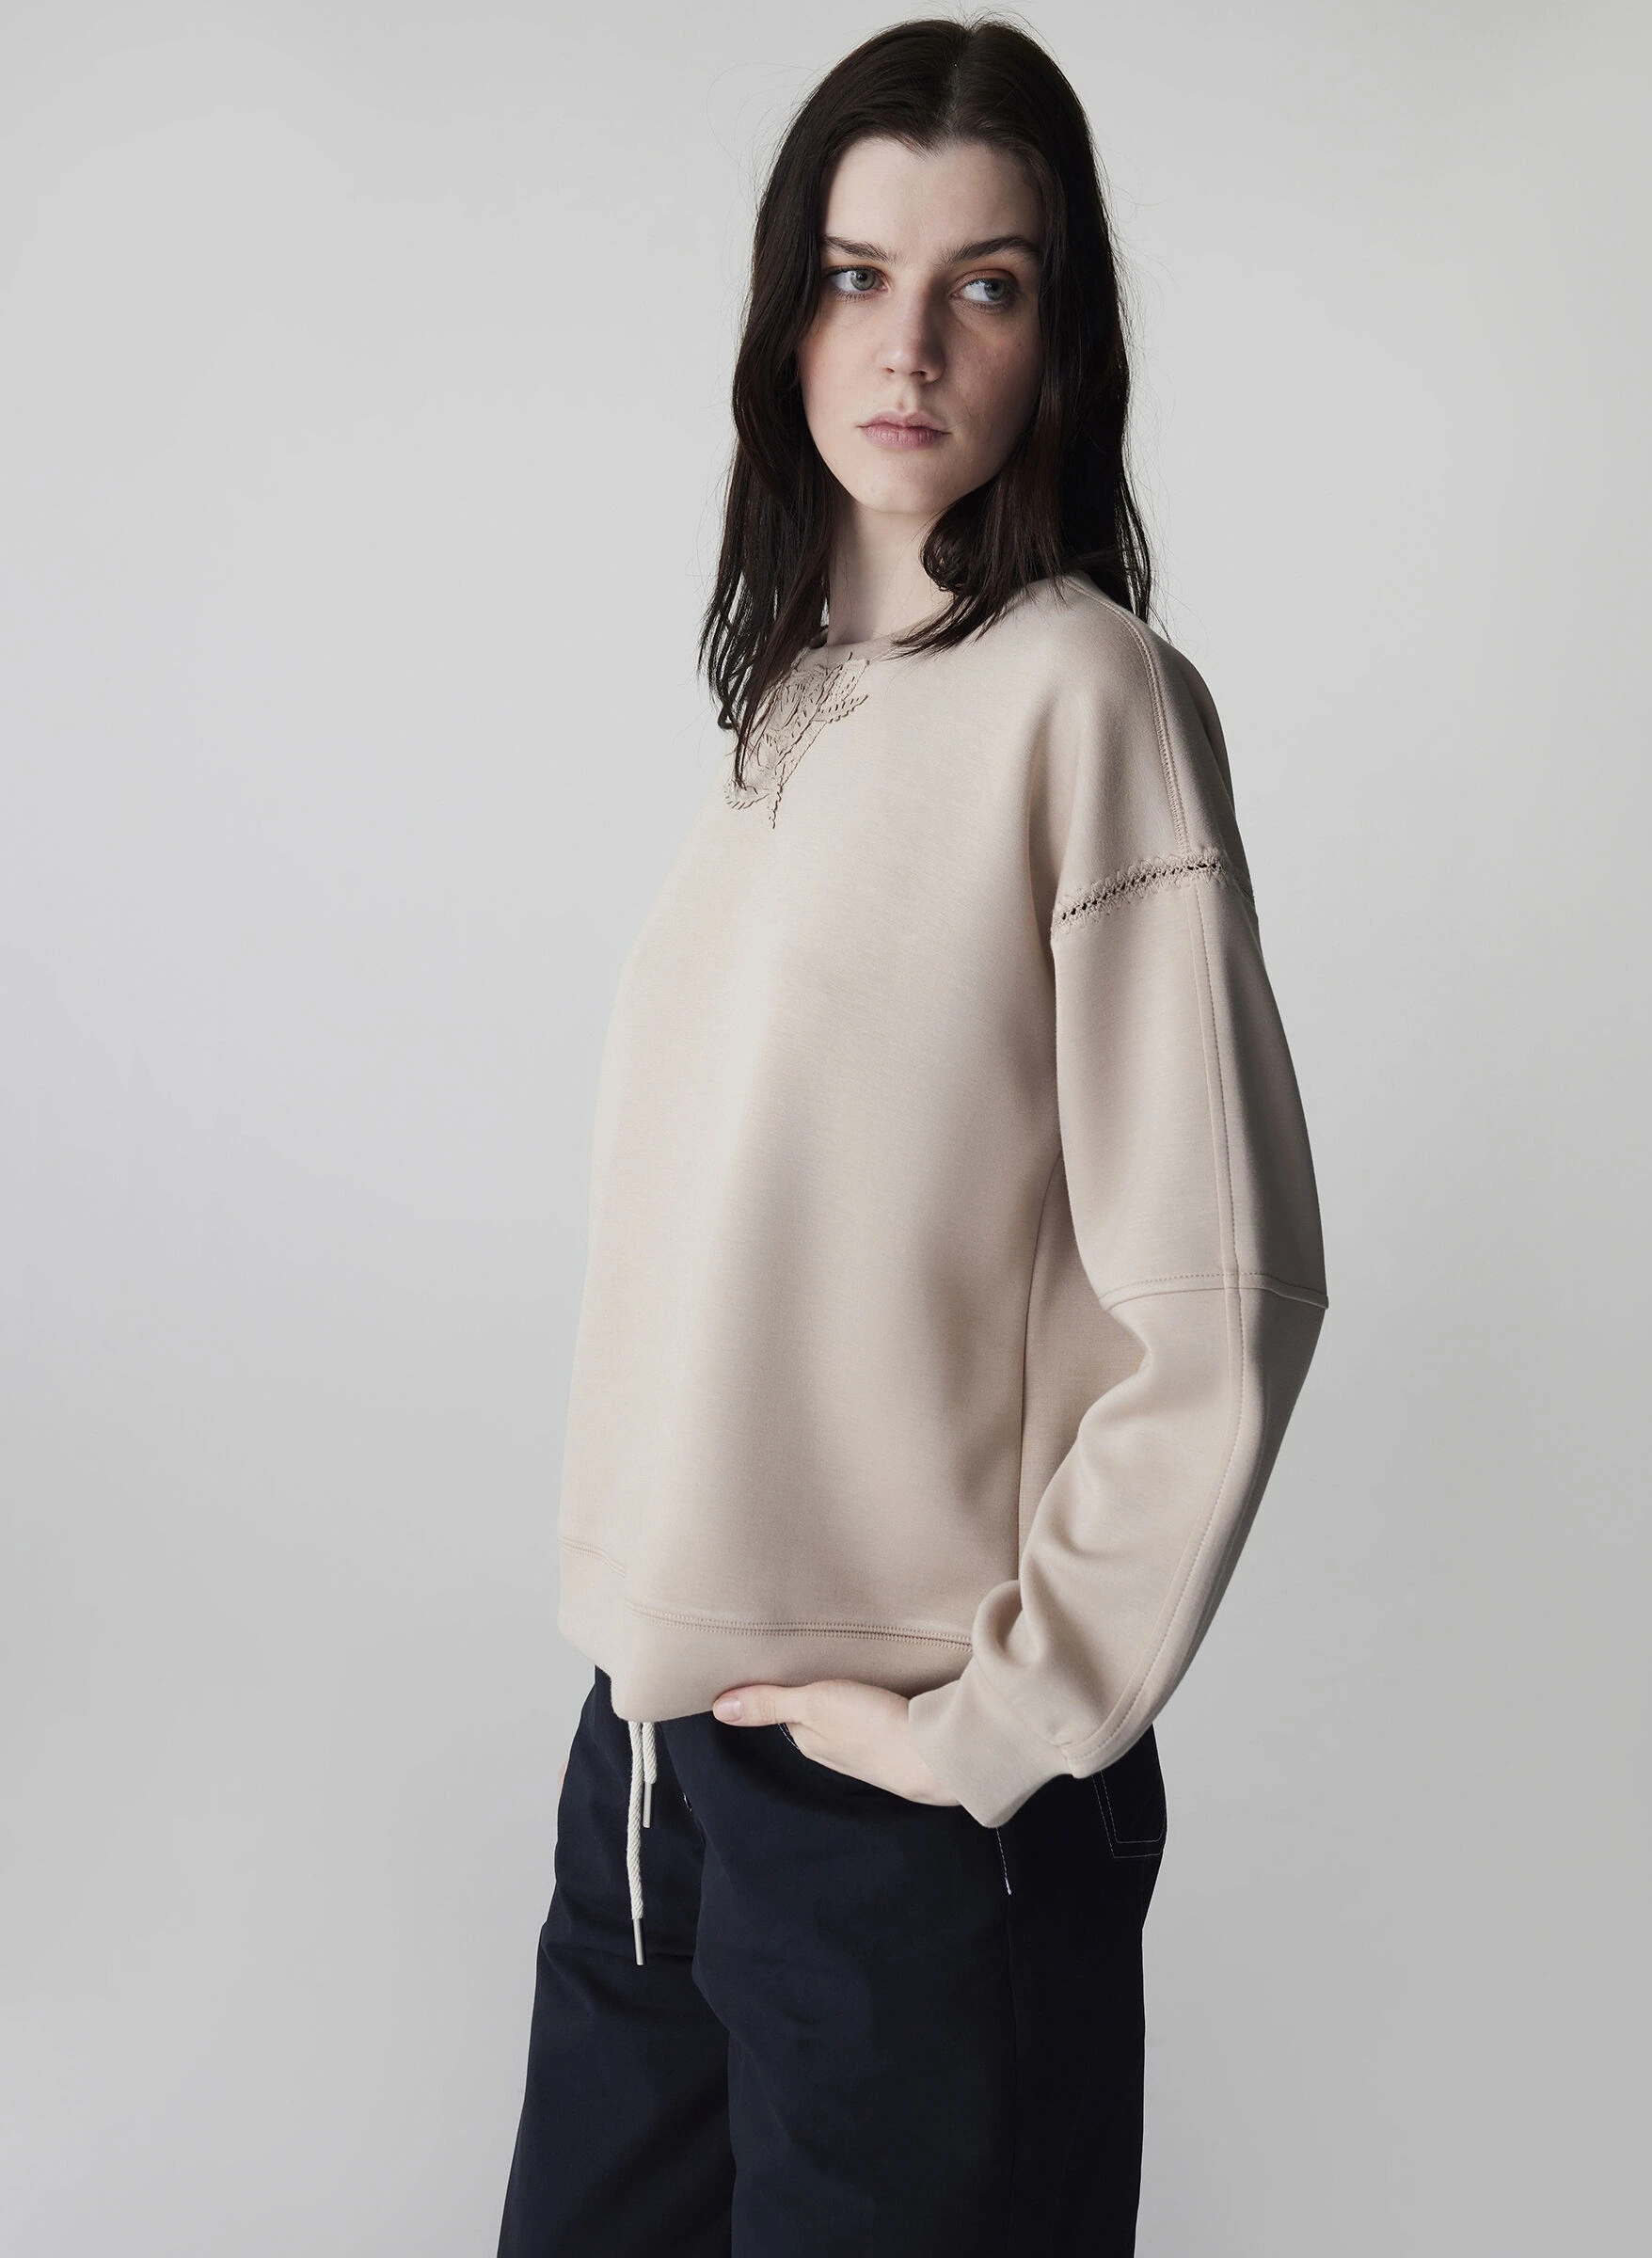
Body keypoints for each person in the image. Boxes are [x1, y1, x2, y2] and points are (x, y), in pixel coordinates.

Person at [496, 17, 1328, 2255]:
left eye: (988, 283)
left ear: (1063, 339)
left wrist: (989, 1732)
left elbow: (1225, 1300)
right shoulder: (785, 709)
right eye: (856, 275)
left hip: (906, 1817)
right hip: (656, 1773)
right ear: (787, 314)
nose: (909, 343)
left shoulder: (1088, 699)